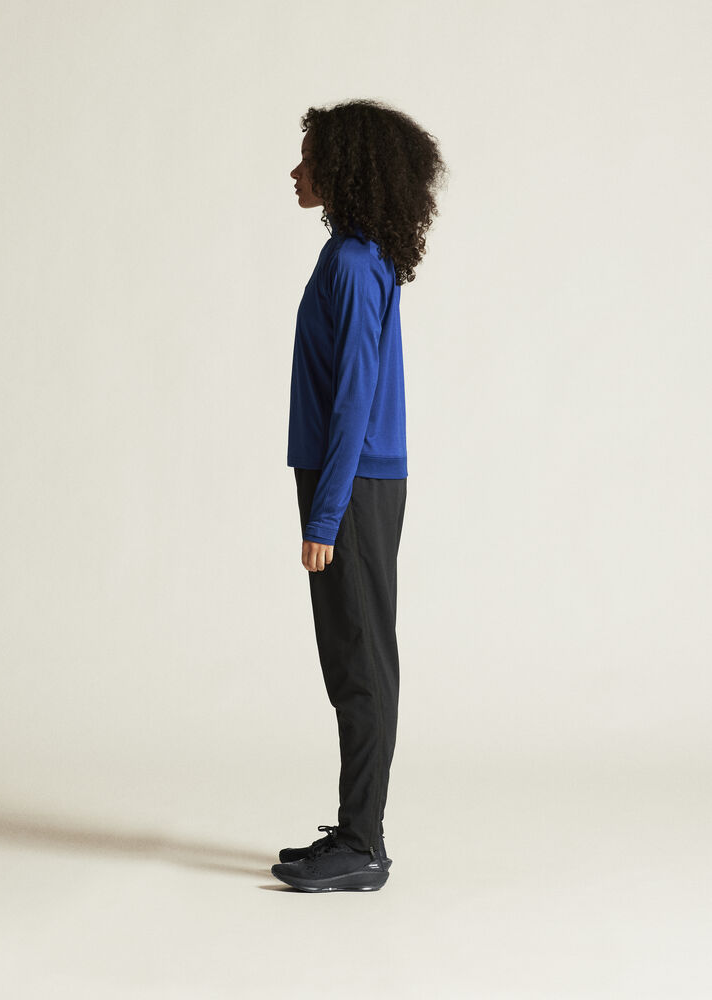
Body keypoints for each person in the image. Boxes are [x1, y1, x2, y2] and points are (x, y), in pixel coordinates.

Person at [271, 99, 448, 892]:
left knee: (361, 657)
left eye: (309, 160)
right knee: (352, 652)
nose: (296, 172)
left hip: (353, 481)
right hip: (352, 476)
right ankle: (353, 831)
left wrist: (326, 514)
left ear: (343, 169)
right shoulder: (354, 253)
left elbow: (352, 399)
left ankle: (364, 845)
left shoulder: (350, 262)